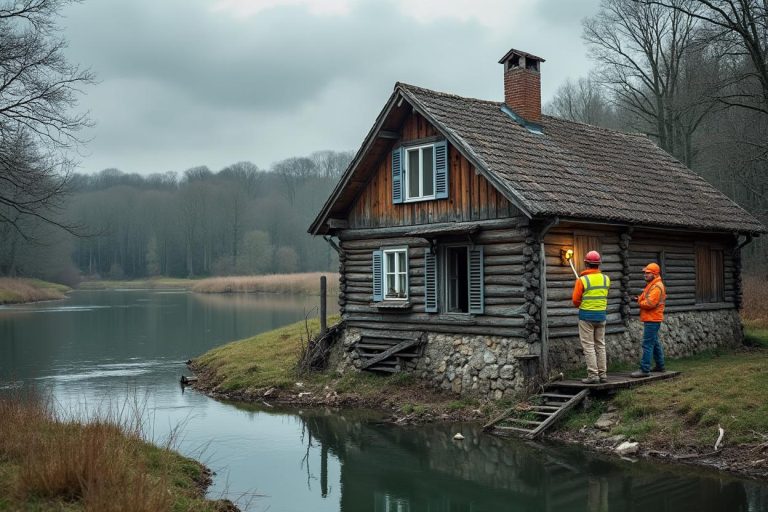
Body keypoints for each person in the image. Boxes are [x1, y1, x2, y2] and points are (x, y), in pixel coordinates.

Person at [572, 250, 611, 384]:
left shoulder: (582, 280)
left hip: (586, 317)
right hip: (601, 316)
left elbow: (575, 301)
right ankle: (603, 375)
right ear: (598, 264)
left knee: (588, 346)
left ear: (586, 263)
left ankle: (593, 376)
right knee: (600, 345)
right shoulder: (606, 279)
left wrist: (582, 303)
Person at [631, 263, 667, 378]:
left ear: (655, 274)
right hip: (652, 318)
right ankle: (660, 366)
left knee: (647, 344)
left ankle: (644, 369)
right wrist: (638, 298)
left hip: (652, 318)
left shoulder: (656, 286)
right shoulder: (652, 284)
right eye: (645, 273)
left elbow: (650, 304)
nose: (645, 275)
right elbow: (646, 297)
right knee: (654, 342)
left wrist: (639, 302)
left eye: (648, 273)